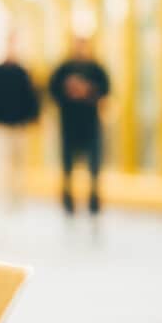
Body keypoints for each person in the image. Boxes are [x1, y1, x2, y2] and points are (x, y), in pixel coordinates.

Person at [48, 36, 110, 215]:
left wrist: (88, 91)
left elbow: (105, 91)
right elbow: (53, 91)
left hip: (90, 123)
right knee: (67, 164)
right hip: (69, 124)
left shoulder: (96, 69)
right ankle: (68, 197)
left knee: (94, 164)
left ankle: (94, 198)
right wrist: (69, 91)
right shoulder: (63, 69)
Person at [0, 34, 39, 210]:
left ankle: (15, 200)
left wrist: (32, 118)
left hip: (18, 126)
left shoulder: (23, 72)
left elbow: (31, 99)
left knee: (18, 166)